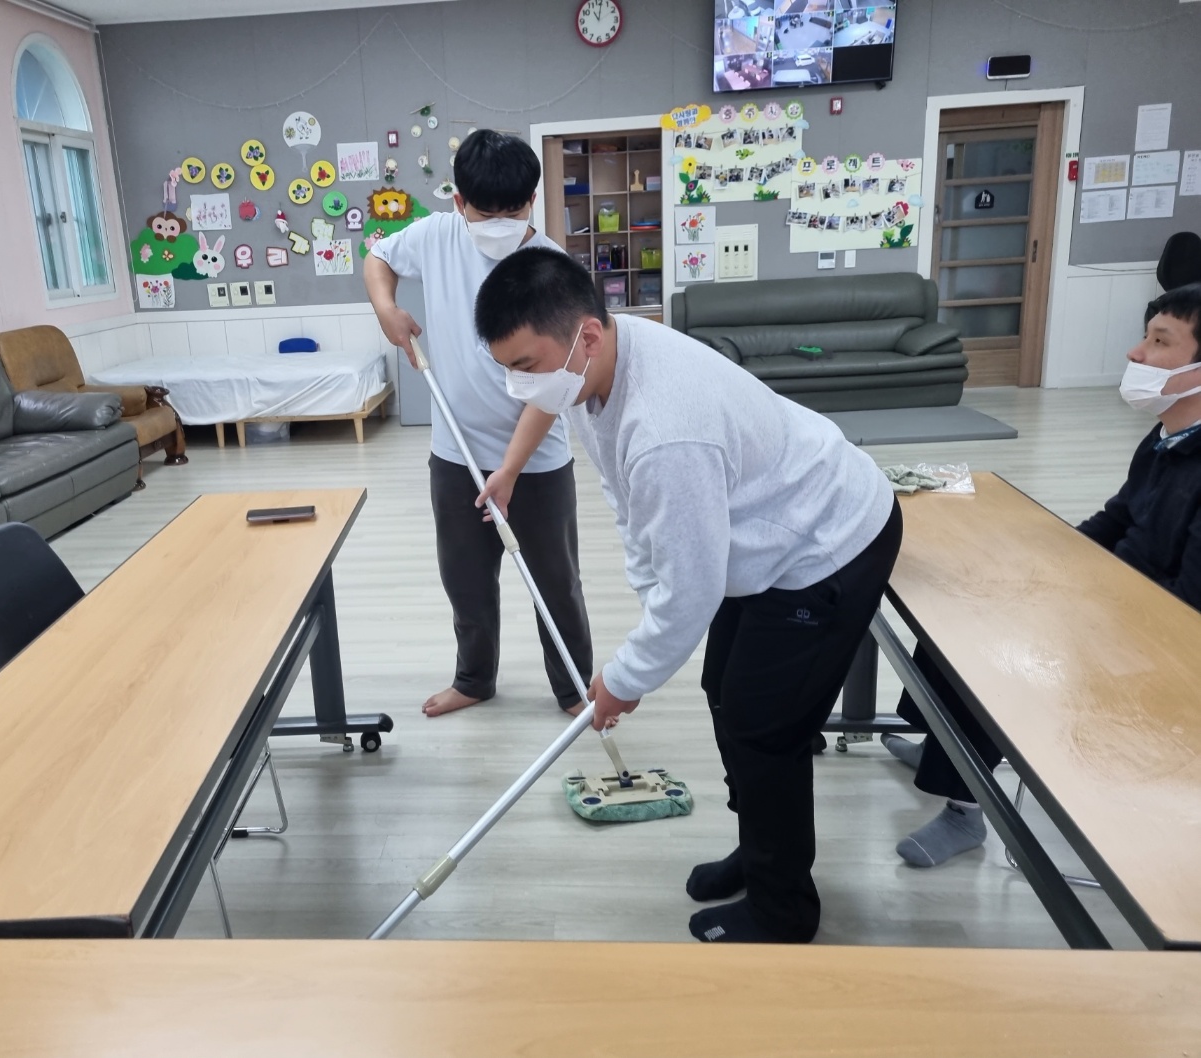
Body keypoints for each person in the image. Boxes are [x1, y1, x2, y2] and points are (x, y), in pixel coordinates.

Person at [473, 247, 902, 944]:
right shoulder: (595, 371)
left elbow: (692, 592)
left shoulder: (665, 429)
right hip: (759, 531)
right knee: (723, 691)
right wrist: (650, 608)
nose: (518, 386)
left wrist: (623, 679)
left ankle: (783, 909)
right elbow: (634, 510)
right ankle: (758, 846)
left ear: (585, 335)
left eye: (525, 365)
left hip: (827, 542)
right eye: (506, 368)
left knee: (763, 727)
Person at [884, 282, 1201, 867]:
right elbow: (1117, 518)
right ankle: (941, 747)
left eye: (1160, 342)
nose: (1135, 353)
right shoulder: (1166, 437)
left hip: (1157, 642)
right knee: (966, 596)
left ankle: (965, 808)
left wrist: (1075, 605)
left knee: (982, 645)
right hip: (1115, 601)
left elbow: (1184, 606)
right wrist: (1042, 561)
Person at [363, 131, 593, 719]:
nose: (498, 224)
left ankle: (574, 690)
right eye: (484, 212)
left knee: (556, 583)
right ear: (459, 201)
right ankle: (473, 679)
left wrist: (509, 471)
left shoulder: (553, 271)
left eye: (512, 212)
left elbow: (555, 387)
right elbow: (378, 257)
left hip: (537, 462)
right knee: (465, 578)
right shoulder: (437, 236)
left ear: (533, 201)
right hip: (455, 455)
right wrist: (387, 310)